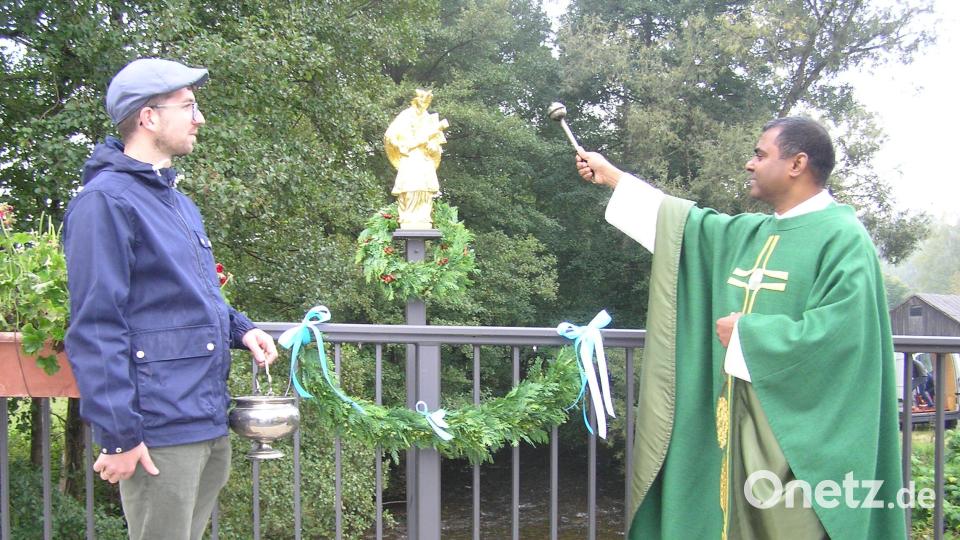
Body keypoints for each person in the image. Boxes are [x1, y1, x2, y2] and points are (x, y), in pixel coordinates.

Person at [576, 117, 904, 539]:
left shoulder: (843, 238)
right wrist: (613, 177)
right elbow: (684, 227)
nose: (750, 164)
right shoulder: (750, 233)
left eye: (760, 154)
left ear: (797, 163)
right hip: (723, 429)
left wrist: (751, 337)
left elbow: (842, 338)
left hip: (789, 441)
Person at [63, 58, 278, 540]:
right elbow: (97, 326)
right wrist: (120, 434)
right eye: (188, 106)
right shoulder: (106, 202)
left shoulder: (178, 203)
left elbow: (191, 297)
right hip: (157, 428)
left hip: (203, 414)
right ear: (149, 117)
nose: (199, 118)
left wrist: (243, 330)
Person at [384, 89, 449, 229]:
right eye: (423, 101)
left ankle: (423, 217)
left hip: (424, 158)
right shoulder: (405, 116)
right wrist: (399, 145)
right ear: (416, 100)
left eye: (427, 102)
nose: (425, 104)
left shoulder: (429, 119)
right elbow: (390, 135)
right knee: (409, 186)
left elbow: (437, 143)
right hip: (410, 157)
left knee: (425, 188)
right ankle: (407, 217)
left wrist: (433, 146)